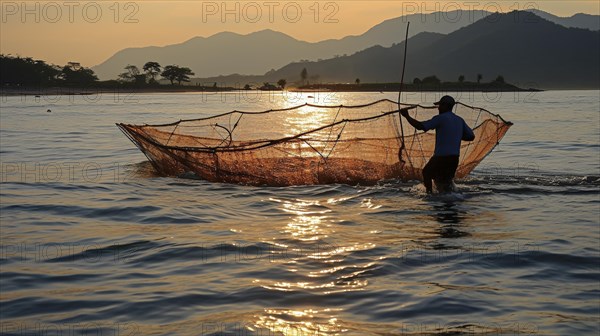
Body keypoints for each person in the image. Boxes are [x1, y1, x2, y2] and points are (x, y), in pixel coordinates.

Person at [400, 95, 475, 193]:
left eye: (440, 105)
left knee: (426, 173)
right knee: (444, 182)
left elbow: (421, 126)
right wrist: (454, 135)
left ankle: (429, 195)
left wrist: (407, 116)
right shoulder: (459, 120)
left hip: (441, 157)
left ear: (445, 106)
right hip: (454, 158)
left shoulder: (440, 118)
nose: (438, 108)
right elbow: (471, 136)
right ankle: (450, 200)